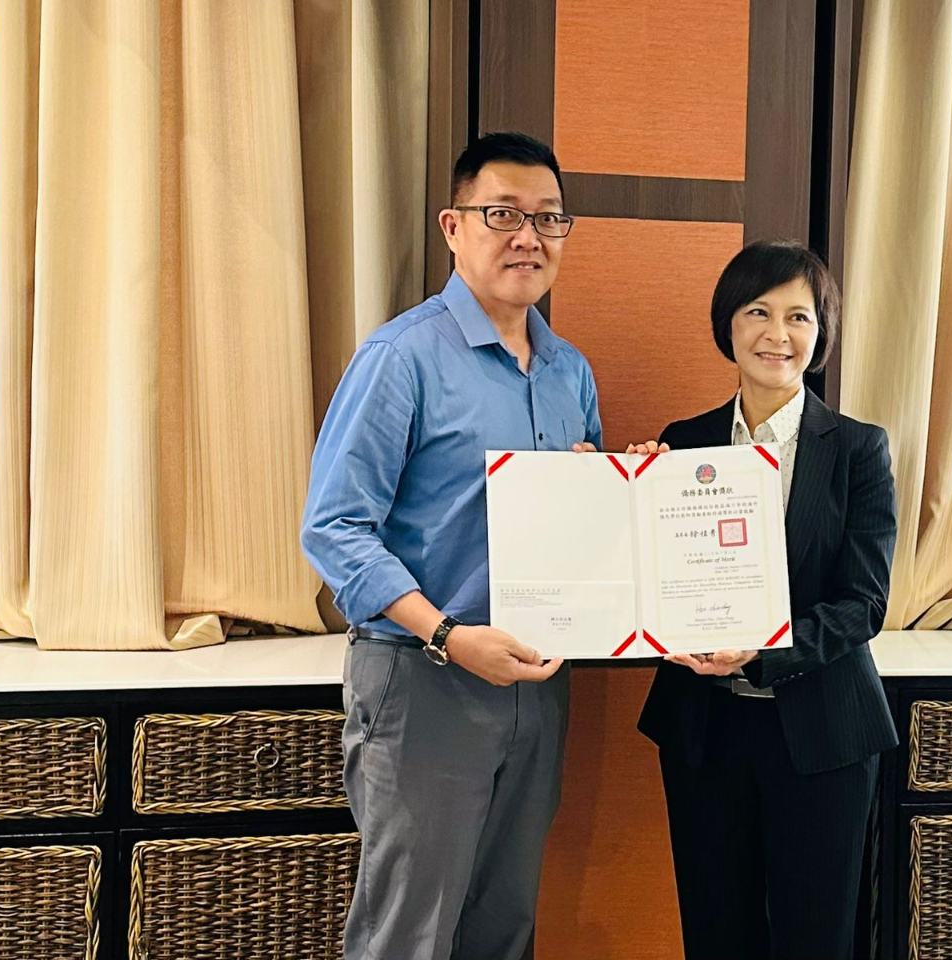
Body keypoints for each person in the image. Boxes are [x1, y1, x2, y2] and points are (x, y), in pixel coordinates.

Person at [301, 132, 602, 960]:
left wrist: (626, 488)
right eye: (503, 214)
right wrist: (446, 634)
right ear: (453, 226)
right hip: (424, 679)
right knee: (409, 935)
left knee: (504, 928)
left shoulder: (570, 372)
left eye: (549, 218)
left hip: (536, 686)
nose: (528, 237)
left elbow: (583, 532)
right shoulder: (401, 357)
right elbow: (334, 527)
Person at [637, 240, 898, 960]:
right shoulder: (682, 444)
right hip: (706, 730)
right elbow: (650, 580)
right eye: (757, 311)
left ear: (821, 334)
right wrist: (630, 493)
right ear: (728, 323)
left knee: (815, 939)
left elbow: (863, 604)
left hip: (822, 732)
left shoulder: (857, 449)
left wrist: (764, 651)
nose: (776, 334)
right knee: (716, 934)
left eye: (798, 317)